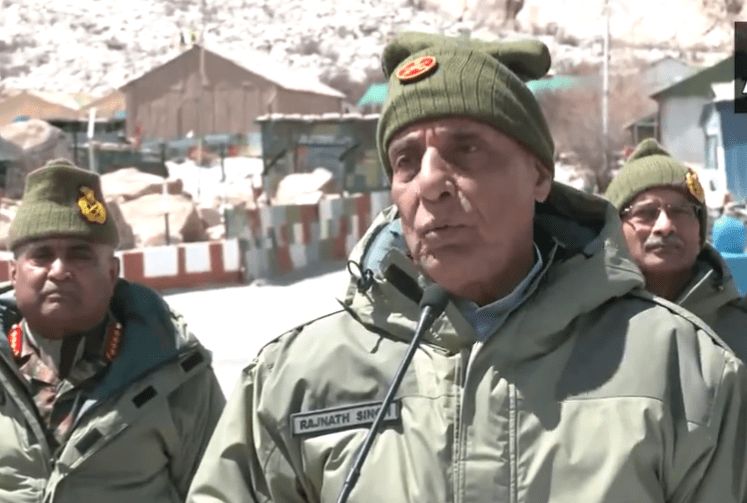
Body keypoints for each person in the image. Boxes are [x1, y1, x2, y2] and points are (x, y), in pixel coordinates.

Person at [187, 33, 747, 502]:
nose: (430, 181)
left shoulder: (683, 370)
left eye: (466, 150)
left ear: (539, 175)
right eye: (406, 160)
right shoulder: (292, 380)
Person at [0, 159, 226, 503]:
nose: (58, 271)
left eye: (79, 255)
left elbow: (223, 490)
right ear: (14, 273)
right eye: (41, 256)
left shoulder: (175, 373)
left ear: (112, 272)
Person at [605, 139, 747, 360]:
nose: (665, 226)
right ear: (615, 228)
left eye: (681, 211)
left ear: (700, 230)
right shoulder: (584, 331)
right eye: (646, 212)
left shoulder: (739, 332)